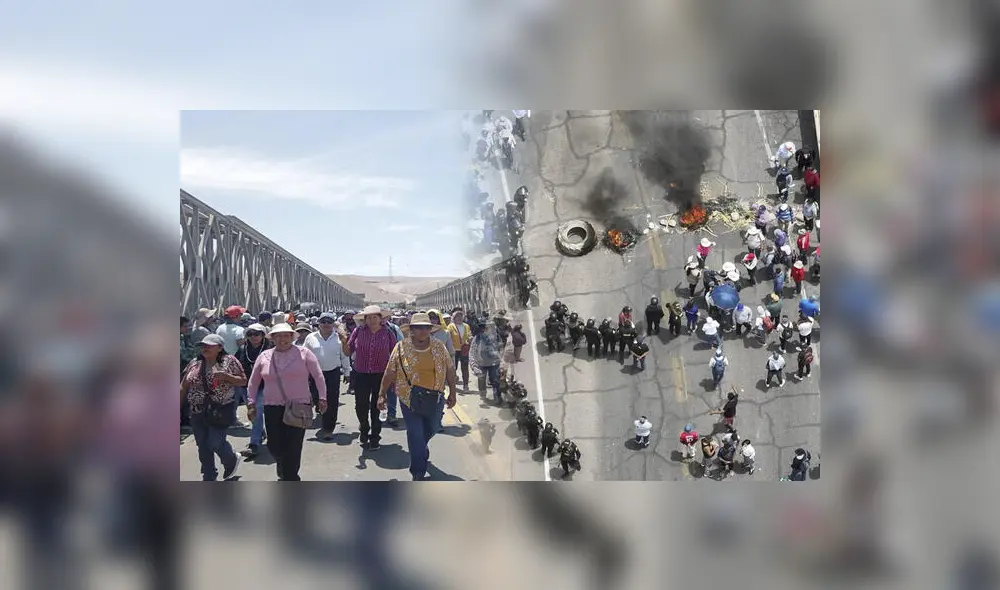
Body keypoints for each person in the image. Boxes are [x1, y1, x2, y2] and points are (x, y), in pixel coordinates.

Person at [377, 312, 458, 481]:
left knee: (433, 427)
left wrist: (453, 392)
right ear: (411, 330)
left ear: (431, 330)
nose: (422, 331)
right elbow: (390, 372)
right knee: (415, 433)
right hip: (409, 398)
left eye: (426, 328)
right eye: (418, 328)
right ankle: (418, 473)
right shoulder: (401, 347)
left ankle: (420, 448)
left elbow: (450, 369)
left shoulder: (439, 347)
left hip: (434, 397)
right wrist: (382, 394)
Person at [246, 324, 326, 481]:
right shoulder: (264, 356)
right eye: (278, 336)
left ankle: (291, 477)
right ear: (273, 338)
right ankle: (283, 467)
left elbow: (318, 376)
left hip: (299, 406)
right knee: (274, 445)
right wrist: (251, 403)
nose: (282, 339)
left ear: (292, 337)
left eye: (286, 336)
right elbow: (253, 382)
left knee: (294, 445)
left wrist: (322, 398)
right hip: (272, 406)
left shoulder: (304, 353)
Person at [180, 334, 247, 481]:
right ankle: (209, 475)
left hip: (219, 410)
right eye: (203, 345)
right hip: (197, 411)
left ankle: (231, 460)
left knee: (215, 442)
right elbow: (183, 386)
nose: (205, 348)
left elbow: (243, 381)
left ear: (220, 347)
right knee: (203, 445)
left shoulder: (229, 361)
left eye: (210, 345)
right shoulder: (194, 363)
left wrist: (227, 377)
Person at [340, 305, 397, 451]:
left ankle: (375, 436)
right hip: (361, 374)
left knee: (377, 406)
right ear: (364, 319)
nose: (372, 320)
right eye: (368, 317)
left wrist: (395, 377)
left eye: (374, 317)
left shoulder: (388, 332)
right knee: (361, 406)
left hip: (381, 375)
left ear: (380, 318)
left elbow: (395, 354)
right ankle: (364, 429)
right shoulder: (359, 331)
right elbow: (347, 352)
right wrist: (343, 341)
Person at [303, 312, 352, 440]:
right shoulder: (310, 337)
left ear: (333, 324)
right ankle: (321, 413)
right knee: (316, 398)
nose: (325, 324)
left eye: (329, 321)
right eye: (323, 321)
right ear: (318, 323)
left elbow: (345, 357)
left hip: (333, 373)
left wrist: (347, 373)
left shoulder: (338, 338)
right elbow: (303, 355)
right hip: (314, 374)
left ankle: (328, 428)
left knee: (332, 400)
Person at [235, 323, 272, 459]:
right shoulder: (242, 349)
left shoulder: (270, 348)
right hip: (247, 386)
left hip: (265, 385)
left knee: (256, 410)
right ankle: (260, 432)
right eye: (250, 334)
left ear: (263, 335)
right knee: (254, 412)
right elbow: (236, 364)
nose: (253, 337)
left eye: (256, 334)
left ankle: (254, 443)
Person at [473, 321, 503, 404]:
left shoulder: (496, 336)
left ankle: (497, 396)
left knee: (495, 379)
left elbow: (501, 346)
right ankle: (483, 395)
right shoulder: (477, 337)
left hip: (494, 362)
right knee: (481, 379)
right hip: (481, 362)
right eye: (484, 327)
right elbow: (473, 350)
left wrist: (500, 356)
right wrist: (474, 363)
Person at [446, 308, 472, 390]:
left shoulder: (466, 326)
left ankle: (465, 385)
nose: (459, 318)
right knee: (453, 368)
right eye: (457, 316)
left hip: (464, 349)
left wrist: (470, 338)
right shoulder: (450, 326)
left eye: (461, 316)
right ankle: (452, 384)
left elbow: (469, 335)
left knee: (465, 367)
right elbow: (448, 337)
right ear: (454, 317)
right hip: (454, 350)